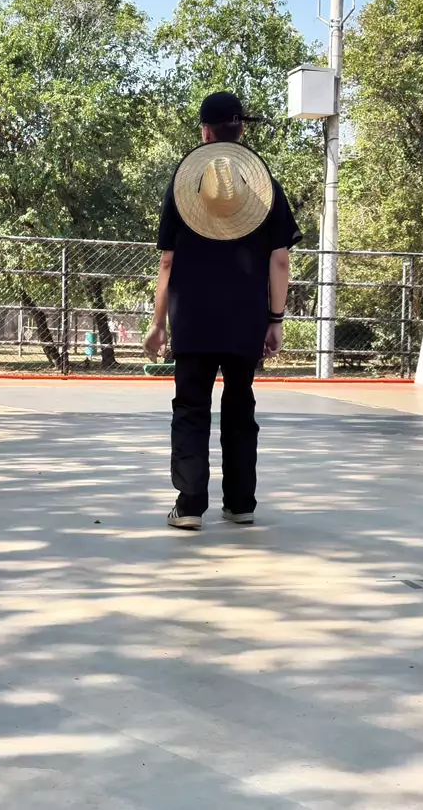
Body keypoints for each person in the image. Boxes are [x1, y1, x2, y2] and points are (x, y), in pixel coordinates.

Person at [144, 91, 302, 530]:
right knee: (239, 407)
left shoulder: (183, 186)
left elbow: (167, 262)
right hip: (244, 321)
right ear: (241, 130)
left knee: (190, 408)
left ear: (205, 132)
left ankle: (190, 506)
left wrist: (158, 324)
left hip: (193, 320)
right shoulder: (266, 189)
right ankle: (241, 503)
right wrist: (275, 320)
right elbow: (280, 260)